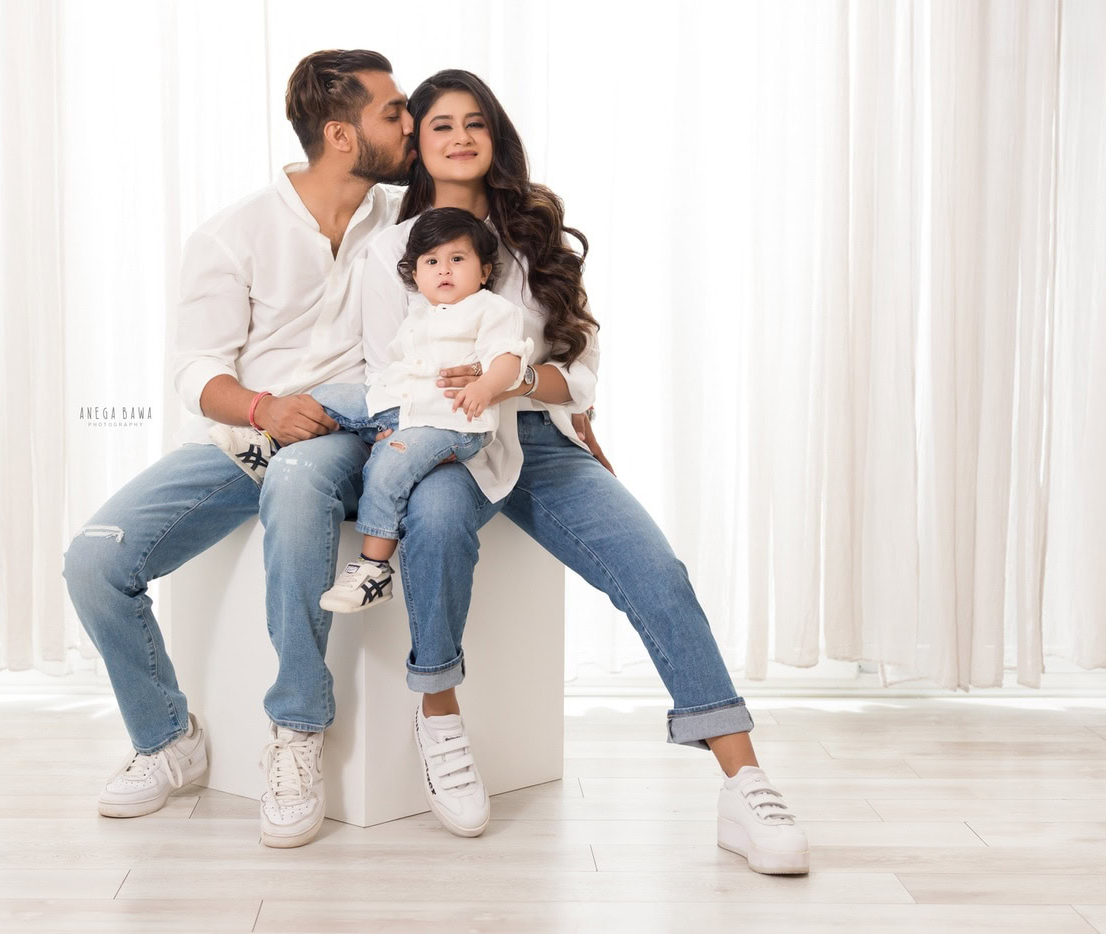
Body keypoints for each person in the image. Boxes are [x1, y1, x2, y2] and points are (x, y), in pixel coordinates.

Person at [361, 69, 810, 873]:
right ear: (418, 145)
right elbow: (383, 376)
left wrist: (518, 381)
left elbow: (582, 374)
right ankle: (440, 713)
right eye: (441, 126)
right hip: (441, 441)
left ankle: (744, 786)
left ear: (494, 135)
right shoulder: (387, 252)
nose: (460, 137)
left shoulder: (535, 238)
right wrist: (424, 439)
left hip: (539, 441)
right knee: (433, 521)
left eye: (475, 123)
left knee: (655, 570)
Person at [62, 49, 412, 850]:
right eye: (392, 111)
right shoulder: (234, 233)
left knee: (297, 483)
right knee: (94, 561)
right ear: (340, 134)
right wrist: (264, 408)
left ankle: (296, 732)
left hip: (350, 435)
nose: (409, 121)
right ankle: (167, 740)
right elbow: (195, 370)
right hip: (247, 436)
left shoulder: (407, 219)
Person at [211, 207, 529, 615]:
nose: (444, 270)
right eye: (431, 262)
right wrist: (373, 416)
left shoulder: (490, 310)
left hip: (451, 421)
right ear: (416, 276)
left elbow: (508, 360)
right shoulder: (419, 316)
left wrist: (485, 385)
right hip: (399, 405)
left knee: (388, 465)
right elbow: (392, 371)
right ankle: (268, 443)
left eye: (457, 259)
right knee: (332, 394)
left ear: (484, 271)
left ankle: (374, 567)